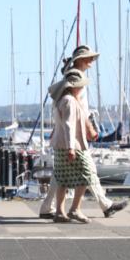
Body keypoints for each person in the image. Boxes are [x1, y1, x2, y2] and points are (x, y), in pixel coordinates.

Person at [39, 45, 128, 219]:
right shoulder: (73, 84)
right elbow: (73, 114)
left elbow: (67, 114)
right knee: (86, 172)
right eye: (89, 58)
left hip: (69, 137)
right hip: (73, 138)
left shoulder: (72, 80)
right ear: (79, 60)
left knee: (63, 176)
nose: (92, 62)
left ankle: (52, 208)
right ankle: (89, 207)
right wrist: (87, 129)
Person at [49, 69, 95, 223]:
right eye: (80, 86)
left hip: (61, 144)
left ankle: (61, 212)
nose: (82, 88)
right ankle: (74, 209)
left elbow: (61, 124)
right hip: (71, 145)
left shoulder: (61, 99)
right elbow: (69, 125)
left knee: (62, 178)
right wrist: (71, 148)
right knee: (87, 173)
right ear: (73, 86)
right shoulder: (69, 100)